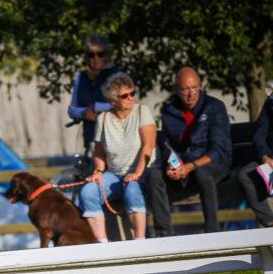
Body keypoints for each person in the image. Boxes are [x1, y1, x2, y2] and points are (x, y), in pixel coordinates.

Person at [146, 67, 231, 236]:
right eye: (185, 89)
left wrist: (190, 166)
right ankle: (164, 234)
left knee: (202, 173)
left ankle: (213, 232)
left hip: (213, 163)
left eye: (194, 88)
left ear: (200, 86)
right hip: (185, 166)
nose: (190, 94)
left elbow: (218, 149)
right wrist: (171, 166)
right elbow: (168, 146)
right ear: (176, 90)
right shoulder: (168, 112)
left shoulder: (215, 107)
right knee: (154, 175)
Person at [79, 73, 155, 241]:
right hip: (114, 173)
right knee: (87, 192)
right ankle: (103, 245)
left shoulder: (142, 111)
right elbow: (99, 151)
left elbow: (148, 146)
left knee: (132, 189)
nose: (130, 98)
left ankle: (140, 241)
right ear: (113, 100)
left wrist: (137, 173)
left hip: (142, 170)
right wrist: (98, 171)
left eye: (132, 93)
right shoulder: (103, 118)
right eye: (124, 95)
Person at [67, 34, 121, 154]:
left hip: (114, 139)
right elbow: (72, 109)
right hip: (90, 139)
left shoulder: (117, 76)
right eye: (91, 54)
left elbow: (123, 104)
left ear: (107, 55)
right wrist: (84, 112)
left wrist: (97, 107)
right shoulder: (81, 77)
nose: (95, 58)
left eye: (100, 54)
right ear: (86, 57)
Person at [236, 92, 273, 228]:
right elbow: (259, 135)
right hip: (269, 160)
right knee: (245, 176)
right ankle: (269, 222)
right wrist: (264, 156)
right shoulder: (271, 102)